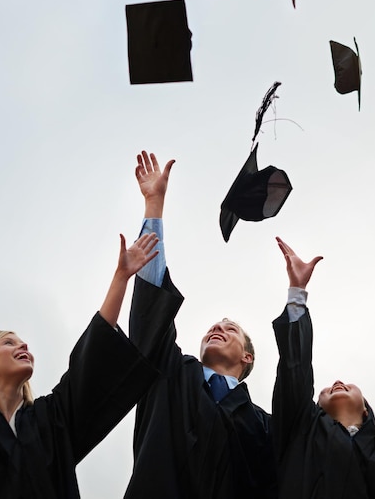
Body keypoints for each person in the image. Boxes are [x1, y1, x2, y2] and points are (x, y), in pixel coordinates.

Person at [0, 232, 161, 499]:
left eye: (22, 342)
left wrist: (120, 278)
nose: (23, 346)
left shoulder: (51, 420)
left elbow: (91, 362)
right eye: (8, 343)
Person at [124, 150, 277, 499]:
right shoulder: (171, 375)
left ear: (247, 358)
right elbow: (151, 314)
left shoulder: (265, 427)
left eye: (231, 328)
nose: (217, 328)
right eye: (214, 326)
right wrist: (154, 207)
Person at [272, 237, 375, 499]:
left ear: (366, 409)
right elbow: (293, 369)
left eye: (350, 386)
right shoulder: (301, 434)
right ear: (314, 406)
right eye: (327, 389)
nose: (338, 382)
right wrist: (297, 291)